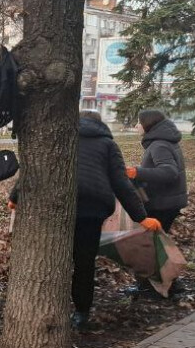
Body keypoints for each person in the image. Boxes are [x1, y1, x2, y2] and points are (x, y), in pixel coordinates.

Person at [11, 112, 160, 329]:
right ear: (100, 124)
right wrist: (142, 217)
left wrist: (14, 197)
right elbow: (121, 183)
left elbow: (35, 167)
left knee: (54, 257)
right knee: (84, 261)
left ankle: (51, 305)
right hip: (93, 208)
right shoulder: (107, 144)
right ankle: (81, 312)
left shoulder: (61, 136)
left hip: (59, 204)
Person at [129, 110, 188, 232]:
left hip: (163, 204)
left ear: (148, 124)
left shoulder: (159, 145)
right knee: (157, 236)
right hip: (168, 201)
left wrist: (137, 172)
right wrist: (140, 170)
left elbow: (169, 172)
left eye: (139, 122)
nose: (136, 126)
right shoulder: (163, 141)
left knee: (153, 237)